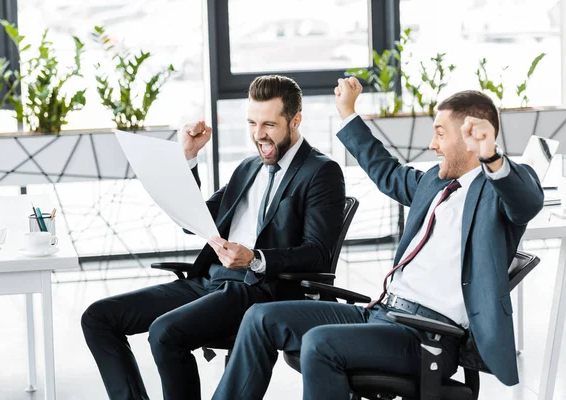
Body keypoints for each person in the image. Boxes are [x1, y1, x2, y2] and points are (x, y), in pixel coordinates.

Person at [213, 77, 544, 400]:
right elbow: (387, 172)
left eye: (440, 133)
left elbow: (526, 200)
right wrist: (348, 113)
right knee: (260, 317)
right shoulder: (435, 182)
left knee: (319, 343)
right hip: (382, 313)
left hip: (428, 336)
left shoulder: (497, 197)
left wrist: (491, 156)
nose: (433, 144)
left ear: (471, 139)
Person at [80, 75, 346, 400]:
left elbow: (318, 252)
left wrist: (256, 258)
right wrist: (188, 158)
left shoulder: (320, 171)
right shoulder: (248, 168)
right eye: (251, 122)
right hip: (210, 281)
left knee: (164, 332)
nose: (258, 134)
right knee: (98, 318)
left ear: (295, 120)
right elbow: (197, 219)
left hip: (256, 287)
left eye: (269, 124)